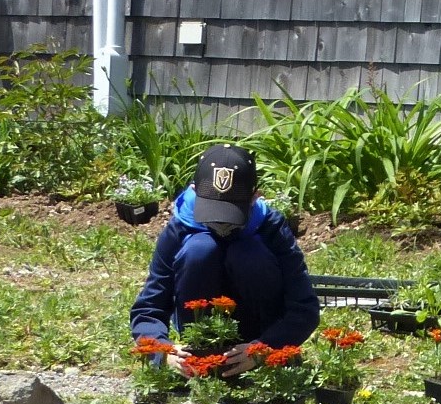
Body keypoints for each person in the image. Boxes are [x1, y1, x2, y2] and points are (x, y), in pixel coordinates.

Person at [129, 144, 319, 374]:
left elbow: (305, 307)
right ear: (194, 191)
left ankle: (251, 353)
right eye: (213, 217)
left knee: (248, 252)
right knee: (200, 249)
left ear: (254, 198)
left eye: (229, 219)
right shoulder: (179, 227)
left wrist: (267, 348)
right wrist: (163, 351)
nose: (221, 228)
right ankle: (201, 349)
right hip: (199, 342)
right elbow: (148, 308)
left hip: (259, 337)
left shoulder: (272, 228)